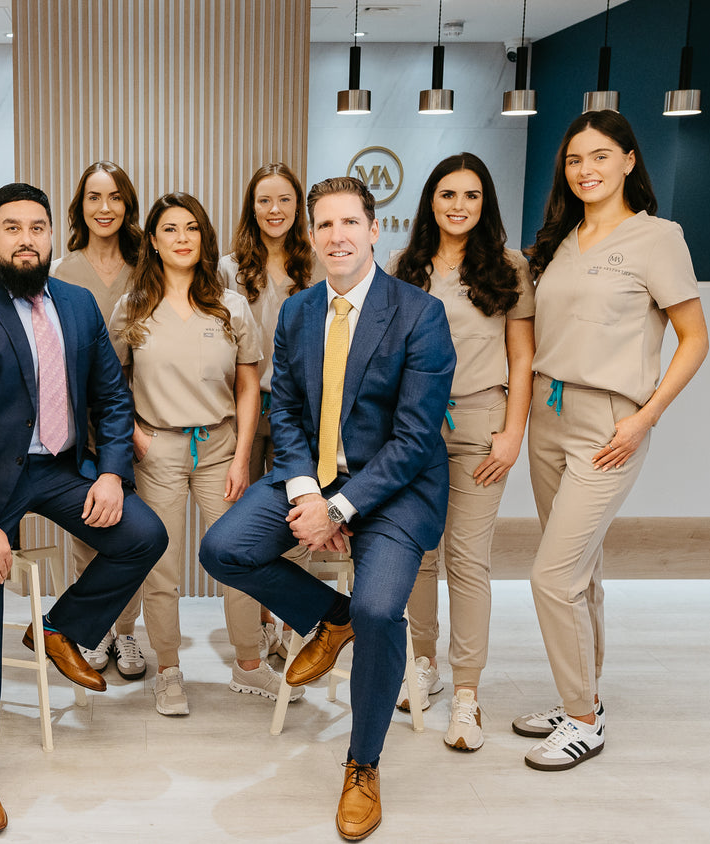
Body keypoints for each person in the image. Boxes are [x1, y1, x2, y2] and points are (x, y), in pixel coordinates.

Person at [200, 176, 455, 841]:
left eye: (350, 223)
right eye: (325, 226)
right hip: (316, 481)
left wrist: (339, 508)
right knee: (222, 549)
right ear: (311, 237)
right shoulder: (299, 312)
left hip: (396, 490)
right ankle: (327, 618)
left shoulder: (419, 314)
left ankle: (363, 763)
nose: (337, 236)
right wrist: (308, 494)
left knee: (379, 609)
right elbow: (285, 411)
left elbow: (414, 439)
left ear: (375, 230)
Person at [0, 182, 166, 833]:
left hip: (57, 468)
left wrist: (112, 473)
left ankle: (60, 629)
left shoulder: (80, 305)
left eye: (37, 227)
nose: (25, 238)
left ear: (53, 237)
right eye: (11, 227)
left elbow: (112, 400)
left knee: (144, 534)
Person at [515, 110, 707, 772]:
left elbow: (696, 339)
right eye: (574, 160)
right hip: (548, 413)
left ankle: (583, 721)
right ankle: (583, 697)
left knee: (551, 576)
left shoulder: (658, 238)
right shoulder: (559, 240)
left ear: (629, 160)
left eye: (599, 156)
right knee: (581, 574)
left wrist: (644, 415)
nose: (585, 169)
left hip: (608, 424)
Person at [109, 191, 299, 713]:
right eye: (170, 229)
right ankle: (168, 670)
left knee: (240, 557)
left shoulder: (230, 304)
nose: (182, 238)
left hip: (220, 447)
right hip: (158, 448)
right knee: (162, 565)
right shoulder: (132, 307)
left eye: (191, 228)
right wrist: (135, 436)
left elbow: (248, 384)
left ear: (204, 237)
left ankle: (249, 665)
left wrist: (241, 457)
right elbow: (111, 382)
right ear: (153, 239)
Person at [389, 152, 534, 752]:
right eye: (447, 194)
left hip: (481, 421)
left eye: (471, 195)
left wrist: (512, 432)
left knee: (467, 562)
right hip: (415, 426)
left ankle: (468, 693)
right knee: (420, 554)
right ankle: (425, 663)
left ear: (485, 203)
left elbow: (523, 356)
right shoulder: (405, 265)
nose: (458, 205)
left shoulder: (507, 266)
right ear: (431, 201)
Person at [218, 161, 320, 661]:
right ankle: (259, 624)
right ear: (251, 207)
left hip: (300, 413)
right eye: (264, 200)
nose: (274, 210)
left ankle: (292, 617)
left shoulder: (318, 262)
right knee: (247, 520)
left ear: (297, 207)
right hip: (244, 410)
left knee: (297, 516)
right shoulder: (228, 267)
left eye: (283, 200)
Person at [49, 160, 147, 678]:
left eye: (114, 198)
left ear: (127, 204)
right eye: (93, 197)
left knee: (135, 533)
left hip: (143, 422)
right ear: (80, 206)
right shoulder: (62, 271)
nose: (104, 208)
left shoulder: (146, 266)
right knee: (93, 529)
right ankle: (94, 628)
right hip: (80, 424)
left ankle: (127, 632)